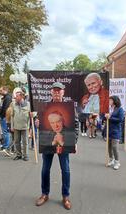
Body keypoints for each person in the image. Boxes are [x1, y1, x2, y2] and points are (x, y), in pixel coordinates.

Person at [36, 81, 78, 210]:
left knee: (65, 170)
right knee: (45, 169)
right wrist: (37, 123)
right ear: (51, 92)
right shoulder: (44, 107)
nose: (56, 93)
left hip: (64, 143)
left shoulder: (69, 108)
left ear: (63, 92)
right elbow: (40, 124)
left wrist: (74, 141)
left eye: (58, 91)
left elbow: (75, 126)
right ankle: (44, 194)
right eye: (54, 91)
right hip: (48, 143)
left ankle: (65, 196)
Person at [105, 95, 124, 170]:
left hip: (116, 130)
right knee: (109, 146)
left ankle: (117, 162)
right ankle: (111, 159)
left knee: (114, 146)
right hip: (108, 130)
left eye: (110, 100)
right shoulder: (109, 109)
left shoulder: (120, 109)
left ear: (115, 101)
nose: (109, 101)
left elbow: (120, 119)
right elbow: (105, 117)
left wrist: (110, 117)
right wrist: (105, 116)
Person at [10, 90, 30, 161]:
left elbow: (32, 114)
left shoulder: (28, 104)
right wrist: (12, 126)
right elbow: (12, 116)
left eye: (17, 96)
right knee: (16, 141)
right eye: (15, 96)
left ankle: (26, 155)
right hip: (16, 126)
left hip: (25, 126)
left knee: (25, 142)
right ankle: (18, 154)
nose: (15, 98)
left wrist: (33, 115)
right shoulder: (13, 104)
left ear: (21, 97)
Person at [0, 86, 12, 155]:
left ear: (4, 90)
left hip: (5, 117)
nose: (0, 92)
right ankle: (5, 146)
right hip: (4, 116)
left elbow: (5, 108)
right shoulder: (6, 97)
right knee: (5, 132)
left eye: (1, 90)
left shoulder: (7, 98)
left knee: (5, 132)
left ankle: (6, 147)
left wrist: (2, 115)